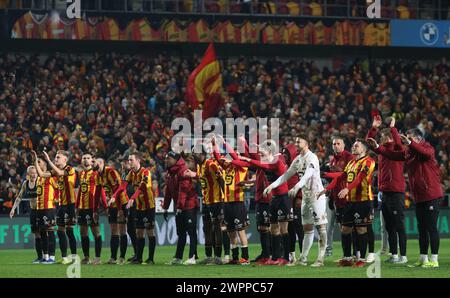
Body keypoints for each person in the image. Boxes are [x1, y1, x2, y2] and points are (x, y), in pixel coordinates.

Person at [375, 128, 444, 268]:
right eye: (406, 137)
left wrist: (411, 143)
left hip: (431, 194)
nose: (406, 139)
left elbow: (425, 154)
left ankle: (434, 260)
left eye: (409, 137)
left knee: (431, 228)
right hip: (418, 196)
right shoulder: (409, 152)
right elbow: (393, 155)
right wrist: (377, 147)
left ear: (418, 138)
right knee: (422, 229)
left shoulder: (427, 147)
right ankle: (423, 259)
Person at [264, 136, 327, 267]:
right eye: (296, 142)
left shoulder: (312, 157)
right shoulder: (298, 160)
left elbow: (308, 174)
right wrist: (271, 186)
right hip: (306, 197)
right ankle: (303, 258)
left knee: (320, 227)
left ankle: (320, 259)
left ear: (307, 143)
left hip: (317, 196)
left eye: (299, 141)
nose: (296, 144)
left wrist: (297, 186)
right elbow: (285, 176)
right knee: (307, 229)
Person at [323, 139, 376, 267]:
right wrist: (326, 189)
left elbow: (360, 178)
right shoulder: (352, 162)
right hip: (350, 201)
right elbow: (341, 177)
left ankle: (361, 259)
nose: (353, 148)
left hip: (363, 201)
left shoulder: (369, 161)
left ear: (363, 149)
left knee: (361, 229)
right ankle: (347, 258)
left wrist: (347, 188)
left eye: (356, 146)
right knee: (345, 229)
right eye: (353, 146)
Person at [241, 139, 291, 265]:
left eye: (262, 152)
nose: (260, 154)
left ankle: (286, 258)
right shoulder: (268, 160)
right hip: (273, 199)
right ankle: (274, 258)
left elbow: (266, 165)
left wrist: (249, 159)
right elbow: (261, 162)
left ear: (270, 151)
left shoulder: (277, 161)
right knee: (274, 229)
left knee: (283, 229)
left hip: (283, 198)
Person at [366, 116, 407, 264]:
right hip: (385, 192)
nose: (380, 139)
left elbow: (401, 148)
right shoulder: (381, 151)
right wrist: (374, 127)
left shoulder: (396, 149)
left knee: (399, 225)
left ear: (389, 138)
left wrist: (393, 128)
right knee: (389, 226)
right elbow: (369, 142)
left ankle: (403, 256)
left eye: (382, 136)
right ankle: (394, 255)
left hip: (396, 191)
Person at [211, 135, 250, 265]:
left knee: (241, 231)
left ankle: (245, 258)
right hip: (227, 203)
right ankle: (234, 257)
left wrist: (224, 143)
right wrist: (214, 144)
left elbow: (235, 157)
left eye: (237, 153)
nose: (234, 155)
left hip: (237, 202)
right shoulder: (228, 167)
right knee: (231, 232)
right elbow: (217, 158)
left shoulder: (243, 166)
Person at [113, 152, 157, 265]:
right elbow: (123, 185)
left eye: (131, 160)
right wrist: (114, 196)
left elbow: (142, 187)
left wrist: (132, 198)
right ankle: (139, 258)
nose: (129, 162)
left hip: (149, 207)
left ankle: (151, 259)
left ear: (138, 160)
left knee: (150, 232)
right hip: (139, 206)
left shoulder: (146, 172)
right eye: (128, 160)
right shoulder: (132, 173)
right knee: (139, 232)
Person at [38, 150, 77, 264]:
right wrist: (36, 160)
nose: (56, 159)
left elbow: (60, 173)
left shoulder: (70, 169)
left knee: (69, 231)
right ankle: (64, 257)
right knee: (60, 231)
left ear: (65, 159)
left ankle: (74, 257)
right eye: (55, 157)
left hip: (70, 204)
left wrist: (49, 160)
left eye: (58, 157)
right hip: (60, 204)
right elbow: (42, 175)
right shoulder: (56, 171)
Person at [163, 151, 199, 265]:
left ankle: (192, 257)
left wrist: (179, 207)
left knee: (191, 231)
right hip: (180, 206)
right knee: (181, 233)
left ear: (175, 160)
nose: (166, 161)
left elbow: (183, 191)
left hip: (189, 205)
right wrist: (165, 207)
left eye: (168, 159)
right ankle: (178, 257)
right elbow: (168, 191)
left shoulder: (183, 171)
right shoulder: (170, 173)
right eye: (166, 159)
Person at [192, 145, 225, 265]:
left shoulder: (211, 164)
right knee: (206, 228)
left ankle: (218, 256)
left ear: (201, 154)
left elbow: (221, 179)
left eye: (195, 154)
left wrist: (224, 196)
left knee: (216, 227)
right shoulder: (199, 166)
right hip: (206, 201)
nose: (193, 156)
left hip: (216, 201)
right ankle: (208, 256)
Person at [94, 157, 129, 265]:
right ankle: (113, 258)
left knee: (122, 230)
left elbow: (119, 190)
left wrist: (120, 210)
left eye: (94, 162)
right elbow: (98, 193)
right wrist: (95, 210)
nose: (92, 164)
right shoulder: (98, 175)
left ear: (101, 162)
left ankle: (122, 257)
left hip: (122, 203)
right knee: (114, 231)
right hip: (112, 205)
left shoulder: (111, 172)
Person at [325, 136, 354, 258]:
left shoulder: (349, 157)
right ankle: (347, 254)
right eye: (334, 144)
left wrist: (327, 173)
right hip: (337, 198)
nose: (336, 145)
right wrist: (331, 195)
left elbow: (345, 175)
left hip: (348, 197)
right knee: (342, 227)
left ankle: (355, 253)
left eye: (338, 143)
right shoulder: (333, 160)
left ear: (343, 145)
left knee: (349, 227)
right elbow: (336, 180)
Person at [76, 153, 106, 265]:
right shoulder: (82, 174)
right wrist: (77, 206)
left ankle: (97, 258)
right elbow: (80, 190)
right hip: (82, 208)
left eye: (88, 158)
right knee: (83, 232)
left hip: (92, 207)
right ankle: (86, 257)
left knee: (96, 232)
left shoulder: (95, 173)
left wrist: (104, 205)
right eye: (83, 158)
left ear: (92, 161)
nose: (85, 160)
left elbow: (100, 189)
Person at [10, 166, 41, 263]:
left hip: (42, 210)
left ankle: (47, 256)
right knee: (36, 234)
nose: (34, 174)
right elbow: (19, 197)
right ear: (28, 174)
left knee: (44, 233)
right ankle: (40, 257)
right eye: (32, 172)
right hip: (33, 211)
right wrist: (13, 209)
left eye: (35, 172)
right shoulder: (25, 183)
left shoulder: (41, 181)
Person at [32, 155, 58, 264]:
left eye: (39, 162)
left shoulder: (50, 176)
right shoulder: (38, 179)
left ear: (45, 164)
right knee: (42, 232)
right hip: (39, 209)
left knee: (50, 231)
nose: (37, 164)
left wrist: (56, 199)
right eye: (36, 162)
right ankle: (45, 256)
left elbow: (58, 188)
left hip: (49, 208)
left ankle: (52, 256)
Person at [282, 144, 304, 263]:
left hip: (296, 201)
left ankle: (302, 255)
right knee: (290, 229)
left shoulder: (299, 165)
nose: (284, 156)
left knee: (299, 229)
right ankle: (292, 255)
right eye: (284, 153)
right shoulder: (286, 166)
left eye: (287, 154)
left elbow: (303, 181)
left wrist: (300, 197)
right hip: (287, 201)